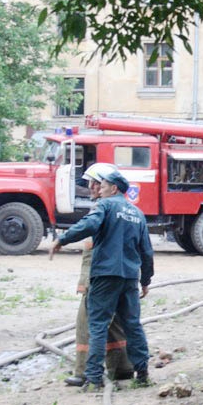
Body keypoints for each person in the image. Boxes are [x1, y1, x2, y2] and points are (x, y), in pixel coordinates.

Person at [50, 170, 153, 391]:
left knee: (97, 326)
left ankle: (94, 378)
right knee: (133, 325)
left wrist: (62, 239)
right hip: (129, 278)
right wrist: (145, 280)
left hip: (105, 275)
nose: (98, 189)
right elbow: (146, 251)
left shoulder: (105, 206)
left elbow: (89, 225)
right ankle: (143, 373)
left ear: (114, 189)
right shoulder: (138, 214)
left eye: (102, 185)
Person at [64, 162, 134, 387]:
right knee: (114, 322)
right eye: (91, 183)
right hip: (114, 276)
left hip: (99, 277)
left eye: (96, 183)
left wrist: (61, 240)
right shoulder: (120, 209)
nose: (91, 187)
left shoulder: (103, 210)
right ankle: (122, 368)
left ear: (110, 186)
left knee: (87, 323)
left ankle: (85, 372)